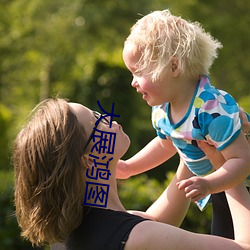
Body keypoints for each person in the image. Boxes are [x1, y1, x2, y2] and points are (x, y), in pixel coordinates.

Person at [13, 98, 250, 250]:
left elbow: (156, 221)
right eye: (97, 121)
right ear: (89, 160)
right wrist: (226, 166)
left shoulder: (75, 232)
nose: (107, 117)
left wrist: (190, 138)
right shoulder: (137, 238)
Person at [119, 9, 250, 238]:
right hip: (220, 188)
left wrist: (209, 184)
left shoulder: (211, 109)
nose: (133, 82)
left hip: (239, 185)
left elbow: (242, 160)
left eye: (138, 72)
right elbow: (166, 145)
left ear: (173, 67)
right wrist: (130, 167)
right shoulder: (162, 110)